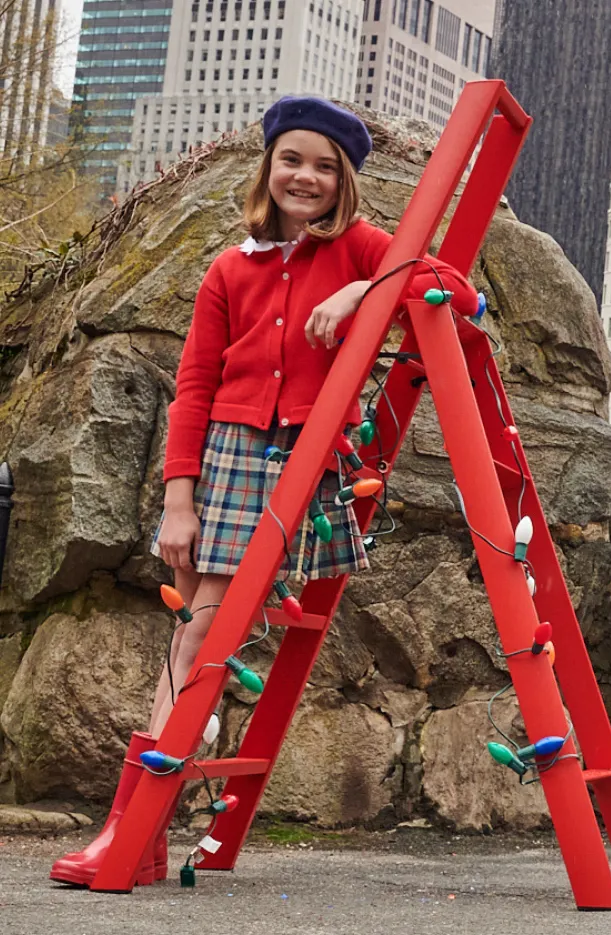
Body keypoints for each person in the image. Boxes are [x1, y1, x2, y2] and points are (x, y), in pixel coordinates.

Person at [50, 96, 479, 887]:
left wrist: (362, 293)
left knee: (202, 637)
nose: (306, 177)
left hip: (315, 461)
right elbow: (194, 386)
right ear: (269, 166)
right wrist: (179, 500)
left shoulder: (360, 247)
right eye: (293, 160)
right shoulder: (229, 267)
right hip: (233, 457)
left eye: (324, 166)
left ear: (344, 180)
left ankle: (136, 830)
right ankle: (131, 825)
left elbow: (450, 285)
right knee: (196, 636)